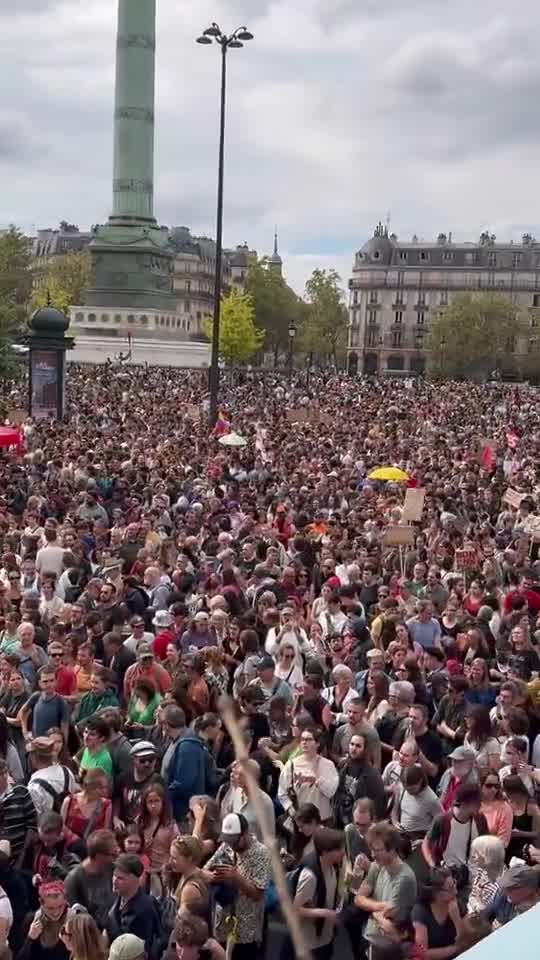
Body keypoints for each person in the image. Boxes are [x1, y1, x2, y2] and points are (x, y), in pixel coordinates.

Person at [204, 812, 271, 960]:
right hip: (223, 923)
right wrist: (214, 876)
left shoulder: (261, 853)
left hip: (246, 929)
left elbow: (257, 894)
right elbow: (205, 871)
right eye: (228, 840)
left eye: (234, 840)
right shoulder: (226, 846)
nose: (231, 845)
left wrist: (236, 878)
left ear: (245, 834)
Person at [355, 822, 417, 959]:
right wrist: (381, 906)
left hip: (389, 947)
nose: (373, 854)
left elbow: (387, 919)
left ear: (392, 849)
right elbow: (358, 898)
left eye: (377, 850)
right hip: (371, 939)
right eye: (371, 849)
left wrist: (376, 911)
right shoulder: (377, 866)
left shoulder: (404, 878)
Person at [283, 826, 344, 960]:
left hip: (325, 938)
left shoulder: (333, 866)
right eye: (338, 849)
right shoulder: (310, 876)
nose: (342, 852)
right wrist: (325, 913)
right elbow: (296, 910)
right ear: (325, 852)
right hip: (309, 943)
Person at [278, 729, 339, 824]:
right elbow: (282, 791)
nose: (304, 742)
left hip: (323, 820)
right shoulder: (291, 765)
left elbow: (331, 792)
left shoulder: (328, 765)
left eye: (308, 739)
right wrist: (291, 810)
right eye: (302, 739)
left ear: (318, 743)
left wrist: (316, 780)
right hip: (300, 821)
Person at [167, 714, 220, 823]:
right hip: (186, 811)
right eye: (218, 728)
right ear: (210, 728)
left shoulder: (198, 745)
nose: (219, 732)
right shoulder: (190, 747)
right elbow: (185, 782)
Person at [105, 853, 160, 954]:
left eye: (120, 878)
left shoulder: (145, 909)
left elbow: (142, 950)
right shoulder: (117, 897)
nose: (114, 881)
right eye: (114, 875)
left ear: (135, 880)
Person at [64, 828, 118, 929]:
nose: (116, 857)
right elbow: (74, 919)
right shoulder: (75, 879)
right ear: (99, 856)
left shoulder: (112, 869)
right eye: (113, 855)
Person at [333, 734, 387, 825]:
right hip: (340, 818)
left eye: (358, 746)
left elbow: (379, 803)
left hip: (359, 822)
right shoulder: (342, 766)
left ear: (365, 749)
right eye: (352, 744)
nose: (353, 748)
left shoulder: (372, 775)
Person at [136, 782, 179, 894]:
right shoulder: (140, 823)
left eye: (157, 801)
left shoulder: (170, 825)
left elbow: (176, 851)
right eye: (150, 802)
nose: (153, 805)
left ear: (163, 802)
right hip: (143, 871)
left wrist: (166, 867)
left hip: (162, 872)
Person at [219, 759, 275, 841]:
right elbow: (225, 815)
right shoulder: (236, 792)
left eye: (241, 775)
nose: (237, 777)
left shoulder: (265, 802)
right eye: (236, 774)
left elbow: (270, 835)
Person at [412, 868, 462, 959]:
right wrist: (455, 949)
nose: (456, 891)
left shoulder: (455, 903)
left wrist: (457, 920)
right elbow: (423, 954)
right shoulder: (420, 913)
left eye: (454, 884)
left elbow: (467, 940)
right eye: (450, 888)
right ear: (435, 893)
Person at [18, 879, 70, 960]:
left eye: (60, 907)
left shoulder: (73, 921)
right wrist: (30, 938)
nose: (56, 913)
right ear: (41, 903)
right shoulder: (31, 920)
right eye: (50, 908)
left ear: (65, 901)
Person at [27, 738, 78, 817]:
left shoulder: (34, 786)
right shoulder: (66, 771)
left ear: (34, 757)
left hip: (49, 827)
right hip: (69, 824)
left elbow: (37, 818)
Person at [19, 667, 70, 744]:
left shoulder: (61, 702)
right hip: (35, 744)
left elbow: (64, 728)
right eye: (45, 681)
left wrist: (64, 747)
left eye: (51, 680)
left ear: (56, 681)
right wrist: (25, 731)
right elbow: (23, 711)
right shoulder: (36, 696)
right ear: (40, 683)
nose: (49, 684)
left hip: (51, 746)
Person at [61, 769, 112, 843]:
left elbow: (105, 833)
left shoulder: (106, 805)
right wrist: (74, 840)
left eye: (106, 787)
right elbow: (61, 826)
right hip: (69, 847)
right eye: (101, 788)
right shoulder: (69, 801)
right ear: (89, 787)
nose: (105, 791)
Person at [467, 835, 505, 913]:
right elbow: (472, 896)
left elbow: (487, 912)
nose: (473, 855)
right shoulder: (482, 871)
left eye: (476, 853)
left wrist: (477, 899)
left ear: (489, 856)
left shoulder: (500, 885)